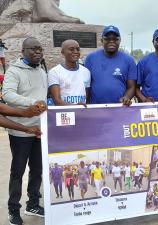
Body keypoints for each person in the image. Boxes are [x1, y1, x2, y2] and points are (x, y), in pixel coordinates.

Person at [2, 37, 47, 225]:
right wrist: (31, 103)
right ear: (23, 51)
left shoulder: (42, 70)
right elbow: (8, 95)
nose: (37, 52)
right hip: (21, 132)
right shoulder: (14, 71)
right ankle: (13, 209)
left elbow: (43, 96)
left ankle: (33, 204)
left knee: (37, 169)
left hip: (39, 129)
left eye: (39, 49)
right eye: (33, 49)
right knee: (18, 171)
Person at [85, 25, 137, 106]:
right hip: (95, 108)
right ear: (101, 40)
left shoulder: (129, 60)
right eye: (107, 39)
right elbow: (86, 85)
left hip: (119, 108)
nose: (111, 41)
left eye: (115, 39)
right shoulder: (90, 58)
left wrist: (126, 97)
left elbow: (132, 87)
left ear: (119, 41)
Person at [48, 39, 91, 105]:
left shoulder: (86, 72)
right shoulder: (54, 72)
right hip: (65, 113)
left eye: (78, 49)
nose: (76, 51)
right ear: (62, 52)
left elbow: (87, 98)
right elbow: (56, 100)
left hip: (82, 113)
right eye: (71, 49)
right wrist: (75, 107)